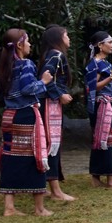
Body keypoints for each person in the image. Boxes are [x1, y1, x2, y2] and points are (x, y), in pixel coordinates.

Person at [0, 29, 54, 216]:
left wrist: (10, 96)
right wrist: (43, 81)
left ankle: (9, 207)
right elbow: (28, 88)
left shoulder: (2, 67)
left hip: (9, 116)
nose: (30, 45)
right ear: (19, 44)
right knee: (36, 155)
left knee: (10, 157)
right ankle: (39, 208)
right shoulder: (26, 64)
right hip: (26, 115)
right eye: (28, 42)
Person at [86, 31, 112, 189]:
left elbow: (110, 88)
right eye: (109, 42)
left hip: (108, 104)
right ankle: (110, 180)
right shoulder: (94, 64)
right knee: (104, 140)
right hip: (101, 106)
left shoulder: (106, 64)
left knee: (105, 140)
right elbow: (93, 87)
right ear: (100, 45)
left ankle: (98, 177)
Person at [38, 25, 75, 200]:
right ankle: (55, 191)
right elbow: (46, 77)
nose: (69, 39)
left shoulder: (51, 55)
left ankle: (44, 185)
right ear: (58, 39)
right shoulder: (56, 55)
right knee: (52, 144)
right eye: (66, 35)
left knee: (48, 143)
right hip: (49, 103)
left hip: (49, 102)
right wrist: (59, 95)